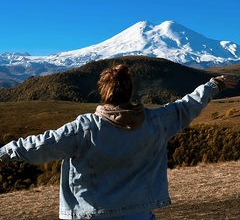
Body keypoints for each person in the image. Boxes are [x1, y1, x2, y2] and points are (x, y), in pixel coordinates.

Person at [0, 64, 238, 220]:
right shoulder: (156, 121)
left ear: (103, 92)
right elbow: (187, 106)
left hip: (91, 214)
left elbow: (38, 146)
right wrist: (213, 85)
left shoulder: (84, 128)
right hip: (140, 214)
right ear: (130, 91)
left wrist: (4, 153)